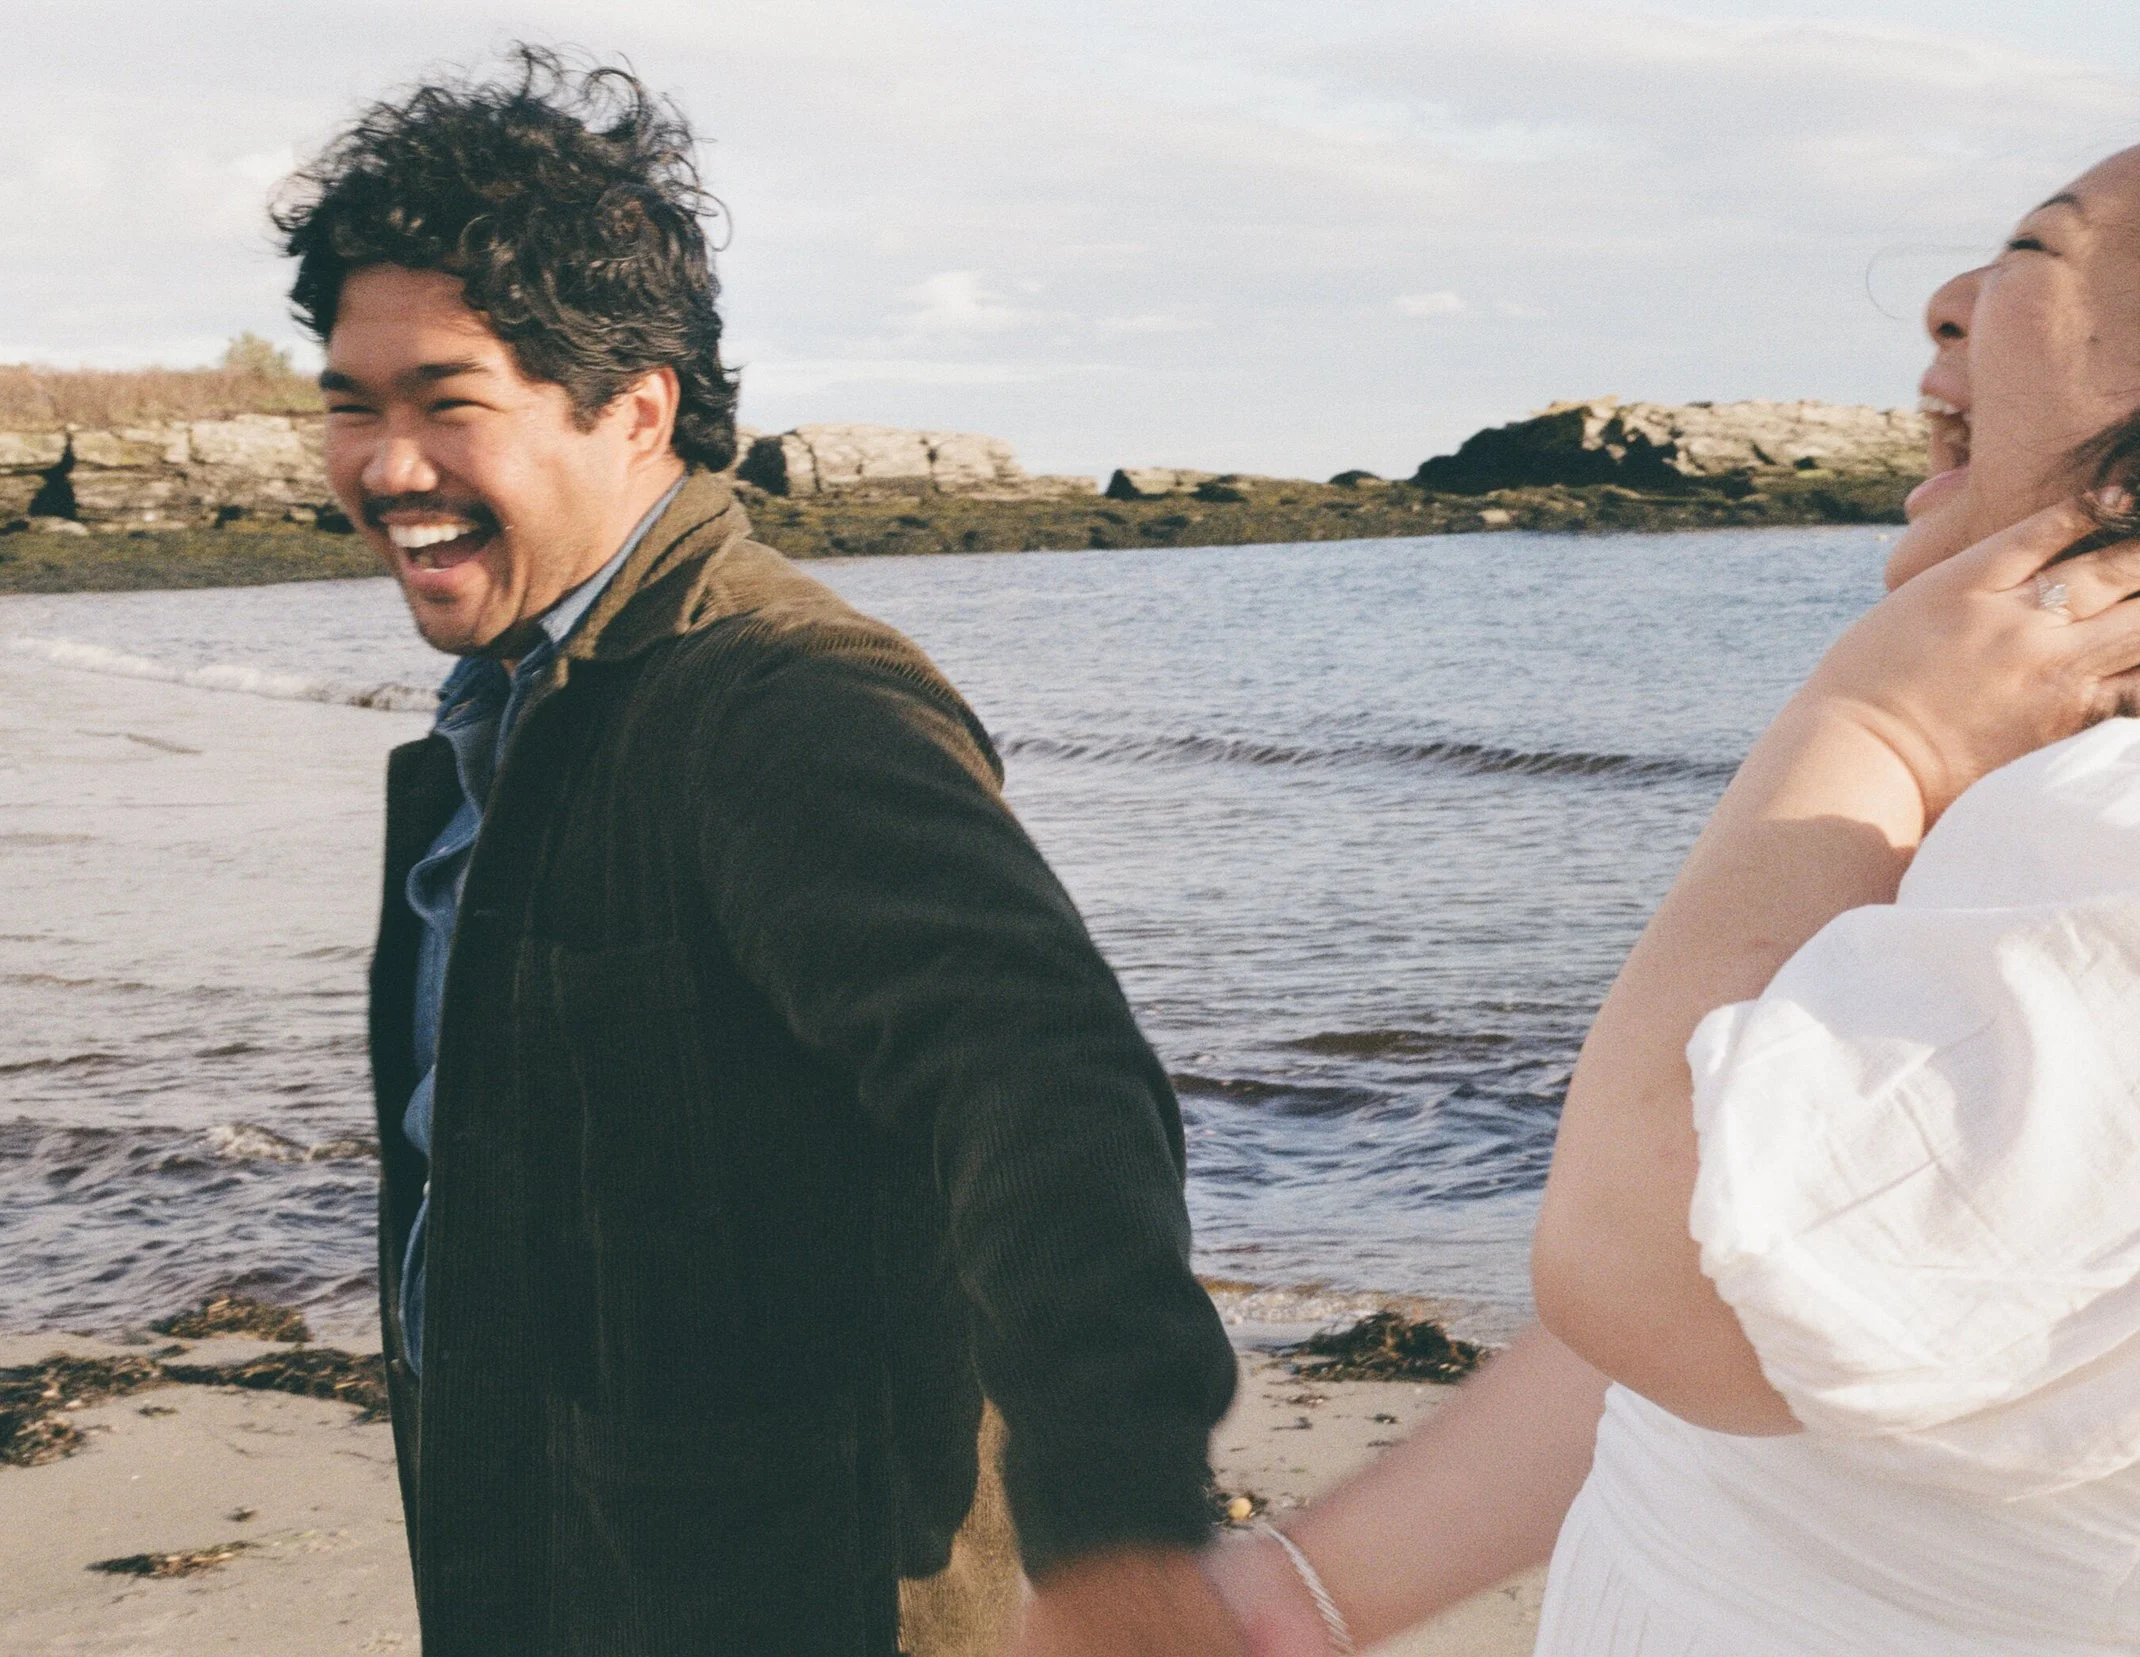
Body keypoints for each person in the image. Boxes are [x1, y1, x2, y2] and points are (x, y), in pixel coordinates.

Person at [272, 50, 1243, 1657]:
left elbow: (1050, 1090)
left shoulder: (781, 704)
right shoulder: (515, 710)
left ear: (635, 408)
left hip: (796, 1595)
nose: (386, 468)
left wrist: (1118, 1533)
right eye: (352, 407)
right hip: (555, 1562)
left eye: (449, 403)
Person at [1197, 145, 2140, 1655]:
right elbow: (1811, 1264)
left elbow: (1689, 1273)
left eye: (2033, 254)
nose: (1948, 304)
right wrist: (1296, 1597)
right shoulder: (2057, 800)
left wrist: (1873, 727)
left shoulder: (2101, 842)